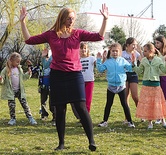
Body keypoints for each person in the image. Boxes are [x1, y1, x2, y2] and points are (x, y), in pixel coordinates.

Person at [20, 4, 108, 151]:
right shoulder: (51, 34)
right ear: (62, 18)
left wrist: (105, 19)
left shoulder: (78, 33)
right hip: (58, 75)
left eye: (73, 19)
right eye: (68, 18)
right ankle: (61, 143)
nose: (71, 21)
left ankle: (91, 141)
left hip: (75, 75)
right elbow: (29, 40)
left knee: (81, 107)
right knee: (60, 109)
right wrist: (23, 22)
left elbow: (99, 36)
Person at [96, 43, 135, 128]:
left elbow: (130, 68)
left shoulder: (123, 60)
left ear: (120, 52)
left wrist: (133, 62)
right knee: (108, 104)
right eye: (113, 51)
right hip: (111, 86)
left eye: (116, 51)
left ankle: (130, 121)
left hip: (121, 86)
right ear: (110, 51)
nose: (115, 53)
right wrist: (99, 60)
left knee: (124, 104)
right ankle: (105, 121)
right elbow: (100, 69)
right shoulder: (108, 61)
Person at [133, 43, 166, 129]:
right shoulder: (143, 61)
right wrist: (133, 64)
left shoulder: (158, 60)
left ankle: (163, 120)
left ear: (151, 51)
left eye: (145, 51)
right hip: (146, 85)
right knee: (148, 104)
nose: (143, 52)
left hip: (155, 85)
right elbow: (139, 71)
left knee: (158, 103)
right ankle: (150, 122)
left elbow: (164, 71)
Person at [0, 52, 37, 126]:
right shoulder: (6, 69)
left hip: (20, 90)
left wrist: (28, 74)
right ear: (11, 61)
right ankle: (13, 119)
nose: (18, 63)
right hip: (10, 91)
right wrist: (1, 79)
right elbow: (2, 78)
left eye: (19, 61)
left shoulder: (19, 69)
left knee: (25, 105)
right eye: (17, 62)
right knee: (12, 106)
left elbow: (23, 77)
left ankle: (30, 118)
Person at [122, 37, 142, 112]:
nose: (134, 46)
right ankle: (127, 117)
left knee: (135, 96)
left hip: (133, 74)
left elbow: (143, 61)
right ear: (128, 45)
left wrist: (140, 51)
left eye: (135, 45)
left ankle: (141, 113)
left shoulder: (136, 53)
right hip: (124, 75)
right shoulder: (122, 53)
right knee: (125, 97)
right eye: (133, 44)